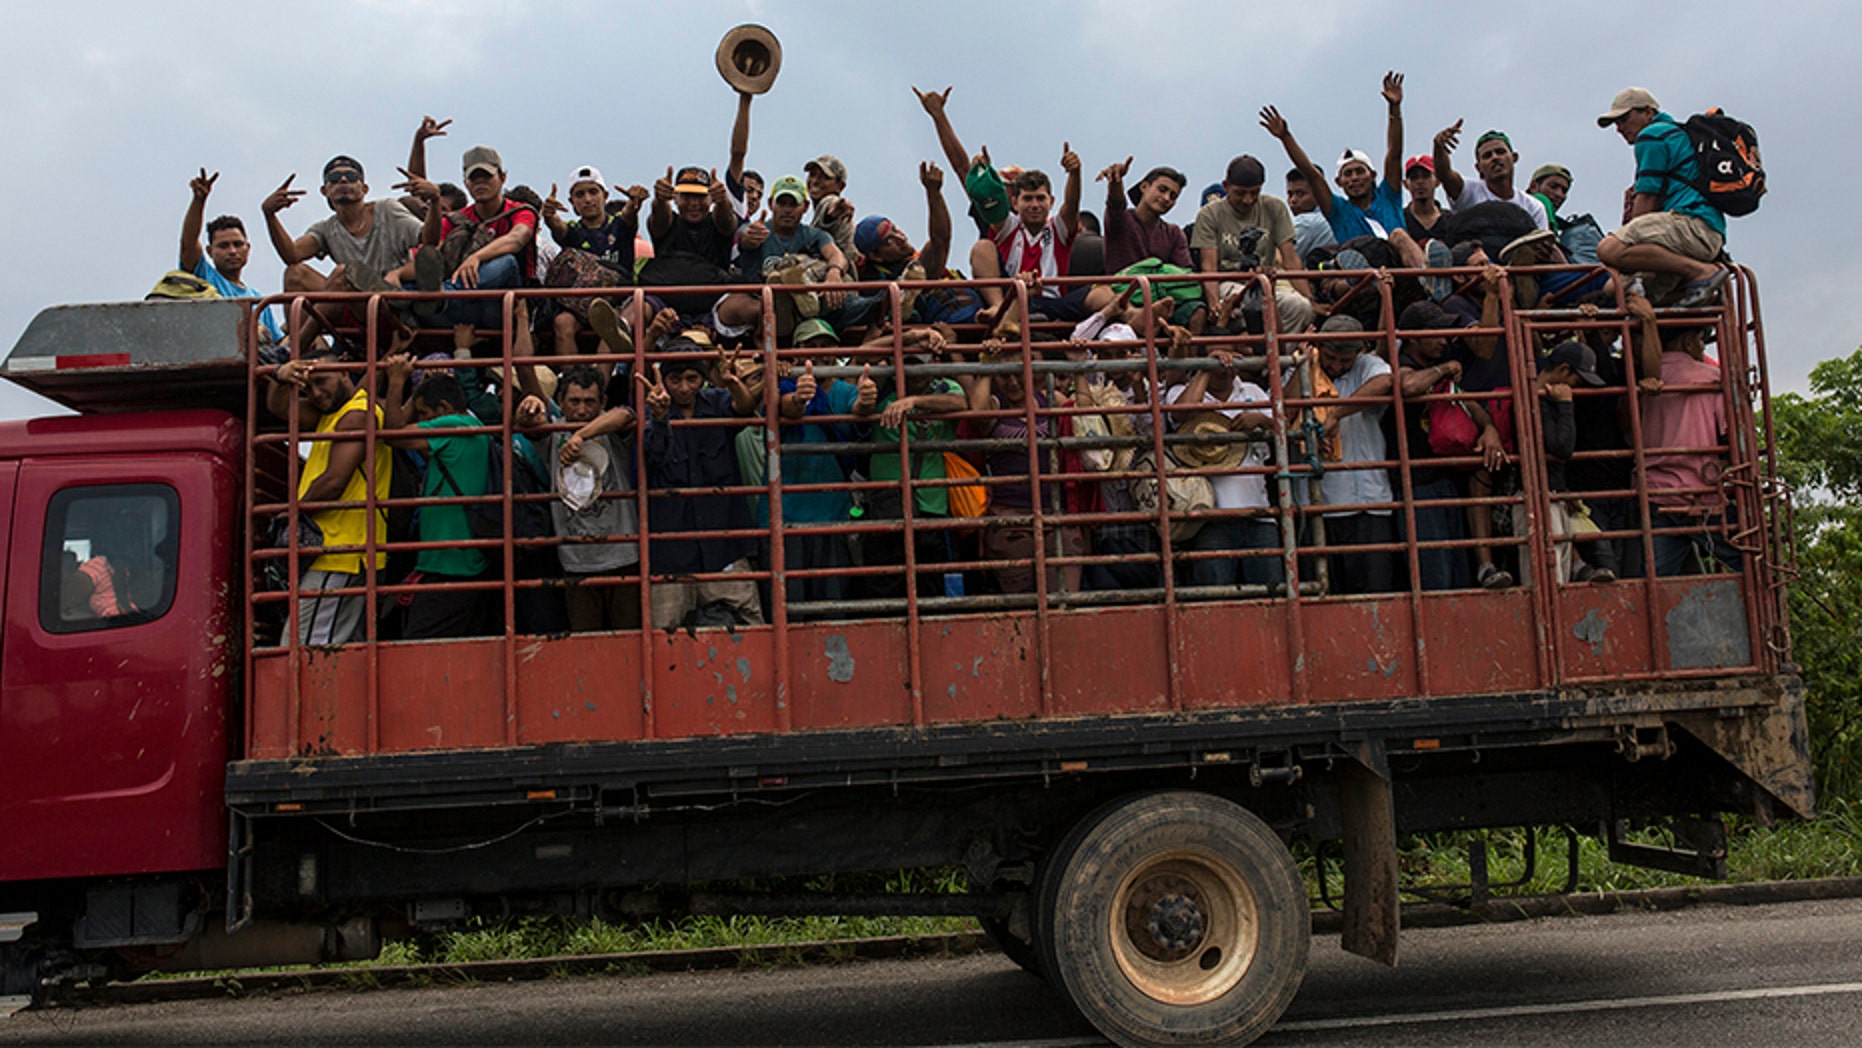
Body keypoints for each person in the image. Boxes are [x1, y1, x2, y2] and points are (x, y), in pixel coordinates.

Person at [265, 344, 394, 645]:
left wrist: (291, 512)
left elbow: (334, 481)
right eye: (308, 388)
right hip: (337, 551)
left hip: (341, 553)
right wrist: (283, 377)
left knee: (302, 648)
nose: (317, 394)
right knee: (335, 648)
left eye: (321, 381)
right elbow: (279, 407)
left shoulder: (358, 414)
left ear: (345, 371)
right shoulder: (332, 415)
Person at [637, 346, 764, 629]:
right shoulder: (651, 410)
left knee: (751, 625)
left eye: (692, 379)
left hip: (724, 545)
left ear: (703, 379)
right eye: (675, 380)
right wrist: (659, 419)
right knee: (663, 635)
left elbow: (743, 410)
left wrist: (732, 382)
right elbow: (652, 454)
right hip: (671, 554)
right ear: (665, 381)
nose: (684, 388)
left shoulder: (717, 402)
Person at [1392, 297, 1512, 591]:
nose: (1444, 341)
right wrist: (1444, 369)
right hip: (1417, 484)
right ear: (1412, 337)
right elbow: (1407, 386)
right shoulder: (1405, 366)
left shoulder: (1439, 367)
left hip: (1444, 480)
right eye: (1436, 334)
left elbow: (1470, 404)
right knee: (1436, 578)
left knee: (1457, 574)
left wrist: (1489, 429)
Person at [518, 364, 642, 631]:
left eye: (590, 402)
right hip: (576, 562)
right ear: (560, 402)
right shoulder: (553, 434)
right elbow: (527, 423)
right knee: (585, 644)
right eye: (574, 401)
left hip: (623, 557)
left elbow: (625, 414)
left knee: (629, 640)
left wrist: (580, 436)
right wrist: (528, 406)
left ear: (602, 403)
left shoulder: (610, 431)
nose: (582, 410)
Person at [380, 360, 497, 638]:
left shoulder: (453, 425)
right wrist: (420, 389)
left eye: (424, 414)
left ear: (443, 409)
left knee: (417, 649)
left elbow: (392, 435)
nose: (419, 421)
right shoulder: (466, 432)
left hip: (450, 567)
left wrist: (397, 381)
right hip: (457, 563)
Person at [1627, 294, 1740, 576]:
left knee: (1655, 582)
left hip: (1656, 494)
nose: (1702, 347)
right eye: (1701, 341)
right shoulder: (1711, 379)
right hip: (1701, 495)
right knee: (1752, 562)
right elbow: (1730, 436)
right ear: (1688, 342)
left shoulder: (1637, 381)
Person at [860, 325, 970, 600]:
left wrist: (914, 401)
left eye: (921, 362)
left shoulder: (945, 387)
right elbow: (860, 355)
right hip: (888, 503)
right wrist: (907, 337)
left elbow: (960, 403)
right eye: (908, 363)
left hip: (933, 505)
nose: (915, 371)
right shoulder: (882, 387)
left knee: (936, 589)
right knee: (886, 588)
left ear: (934, 362)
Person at [1595, 87, 1730, 308]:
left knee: (1609, 250)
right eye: (1615, 123)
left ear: (1648, 112)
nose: (1619, 128)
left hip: (1691, 224)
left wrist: (1626, 245)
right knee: (1616, 291)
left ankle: (1702, 272)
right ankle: (1705, 290)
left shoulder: (1652, 136)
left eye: (1624, 118)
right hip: (1708, 233)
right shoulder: (1678, 134)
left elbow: (1647, 198)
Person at [1164, 345, 1283, 590]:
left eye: (1231, 358)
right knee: (1216, 595)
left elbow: (1287, 429)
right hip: (1210, 519)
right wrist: (1206, 368)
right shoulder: (1181, 391)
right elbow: (1181, 413)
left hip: (1258, 516)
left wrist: (1262, 420)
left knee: (1271, 596)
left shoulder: (1252, 391)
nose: (1226, 365)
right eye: (1220, 360)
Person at [1259, 74, 1414, 251]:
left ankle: (1428, 274)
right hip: (1363, 270)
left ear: (1372, 175)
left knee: (1399, 235)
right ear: (1338, 183)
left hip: (1400, 266)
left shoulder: (1388, 196)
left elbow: (1394, 154)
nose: (1354, 178)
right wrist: (1285, 137)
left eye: (1359, 171)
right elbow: (1311, 174)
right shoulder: (1338, 210)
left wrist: (1394, 109)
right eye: (1347, 174)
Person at [405, 146, 539, 332]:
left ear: (502, 178)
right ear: (466, 183)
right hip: (463, 309)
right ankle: (406, 297)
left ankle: (440, 296)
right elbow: (431, 249)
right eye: (474, 178)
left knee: (506, 262)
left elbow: (517, 238)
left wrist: (476, 257)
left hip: (504, 307)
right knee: (409, 288)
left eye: (487, 177)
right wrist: (395, 276)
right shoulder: (456, 219)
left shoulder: (520, 211)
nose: (480, 183)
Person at [1308, 315, 1397, 594]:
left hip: (1367, 503)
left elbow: (1384, 382)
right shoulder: (1303, 370)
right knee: (1325, 595)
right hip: (1320, 504)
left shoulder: (1366, 366)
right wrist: (1301, 360)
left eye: (1344, 361)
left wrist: (1336, 414)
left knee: (1374, 592)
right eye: (1330, 357)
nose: (1336, 366)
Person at [1190, 155, 1309, 335]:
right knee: (1255, 305)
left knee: (1300, 308)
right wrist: (1214, 304)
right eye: (1240, 193)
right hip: (1228, 283)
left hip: (1266, 283)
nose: (1247, 199)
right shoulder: (1210, 214)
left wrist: (1309, 298)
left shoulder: (1275, 207)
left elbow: (1290, 258)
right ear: (1226, 187)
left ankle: (1283, 359)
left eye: (1254, 193)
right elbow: (1209, 266)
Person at [541, 165, 649, 355]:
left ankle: (596, 383)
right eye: (580, 195)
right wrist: (549, 215)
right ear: (572, 202)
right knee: (562, 322)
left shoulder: (619, 225)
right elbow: (558, 228)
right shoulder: (573, 231)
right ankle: (572, 380)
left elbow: (630, 214)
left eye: (593, 192)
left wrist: (634, 203)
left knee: (612, 326)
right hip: (580, 307)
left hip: (617, 304)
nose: (588, 199)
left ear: (605, 196)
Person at [1535, 340, 1618, 583]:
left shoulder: (1541, 401)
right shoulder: (1541, 402)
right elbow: (1562, 447)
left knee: (1559, 567)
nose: (1576, 388)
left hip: (1554, 492)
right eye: (1576, 381)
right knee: (1553, 575)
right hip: (1543, 496)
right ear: (1562, 370)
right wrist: (1565, 404)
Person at [179, 169, 283, 347]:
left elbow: (277, 340)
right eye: (223, 246)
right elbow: (188, 243)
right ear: (210, 251)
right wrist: (199, 201)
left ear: (247, 248)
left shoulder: (256, 297)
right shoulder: (205, 278)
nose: (232, 251)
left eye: (238, 244)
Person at [1431, 122, 1550, 231]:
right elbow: (1445, 175)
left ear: (1514, 158)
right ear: (1479, 168)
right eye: (1487, 156)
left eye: (1500, 152)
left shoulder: (1533, 207)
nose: (1495, 157)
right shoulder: (1469, 192)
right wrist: (1439, 147)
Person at [1097, 158, 1192, 276]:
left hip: (1158, 292)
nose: (1166, 198)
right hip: (1120, 291)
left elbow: (1185, 274)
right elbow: (1116, 203)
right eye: (1162, 190)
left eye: (1173, 196)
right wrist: (1116, 180)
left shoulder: (1174, 234)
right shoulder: (1121, 220)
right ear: (1144, 187)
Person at [1401, 154, 1446, 244]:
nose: (1420, 182)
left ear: (1437, 181)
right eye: (1414, 178)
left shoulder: (1450, 221)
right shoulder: (1400, 220)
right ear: (1406, 184)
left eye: (1426, 176)